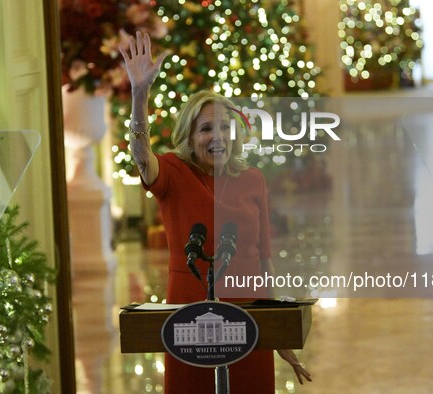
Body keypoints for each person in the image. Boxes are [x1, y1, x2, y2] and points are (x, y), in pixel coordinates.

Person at [120, 31, 312, 393]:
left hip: (247, 313)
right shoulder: (174, 172)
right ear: (189, 137)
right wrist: (139, 93)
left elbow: (264, 261)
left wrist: (277, 332)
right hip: (190, 310)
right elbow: (141, 157)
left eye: (225, 126)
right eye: (206, 128)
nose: (218, 136)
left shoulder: (253, 179)